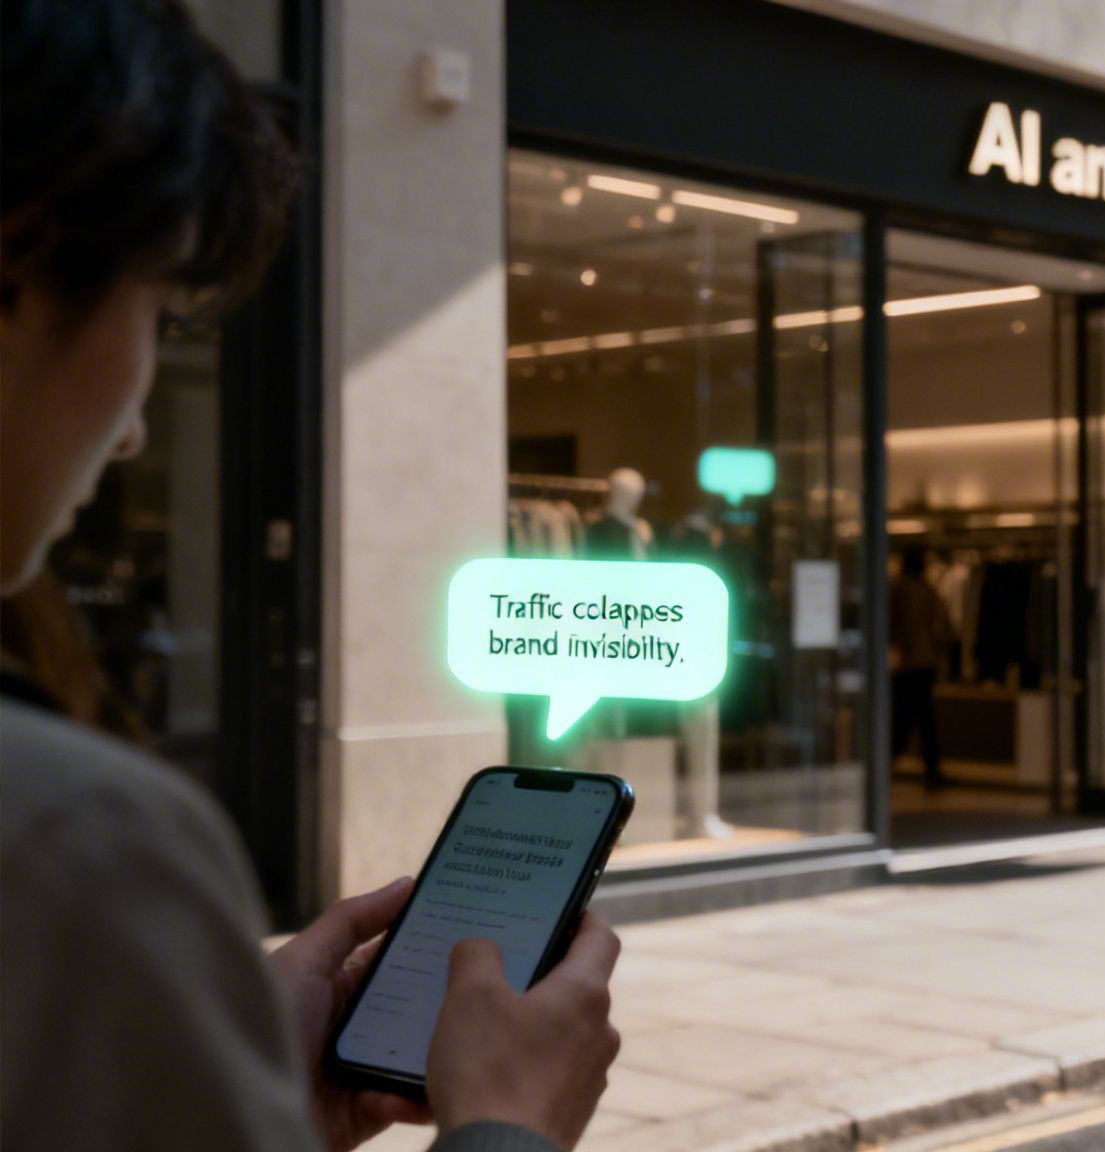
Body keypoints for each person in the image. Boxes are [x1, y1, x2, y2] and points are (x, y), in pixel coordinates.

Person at [0, 2, 619, 1149]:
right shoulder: (72, 841)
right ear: (25, 257)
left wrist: (247, 1109)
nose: (135, 430)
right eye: (161, 309)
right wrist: (508, 1125)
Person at [889, 545, 952, 789]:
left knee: (904, 718)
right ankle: (931, 770)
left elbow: (891, 625)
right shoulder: (926, 589)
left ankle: (890, 764)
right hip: (924, 661)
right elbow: (942, 626)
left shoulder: (899, 588)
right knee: (923, 719)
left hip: (907, 662)